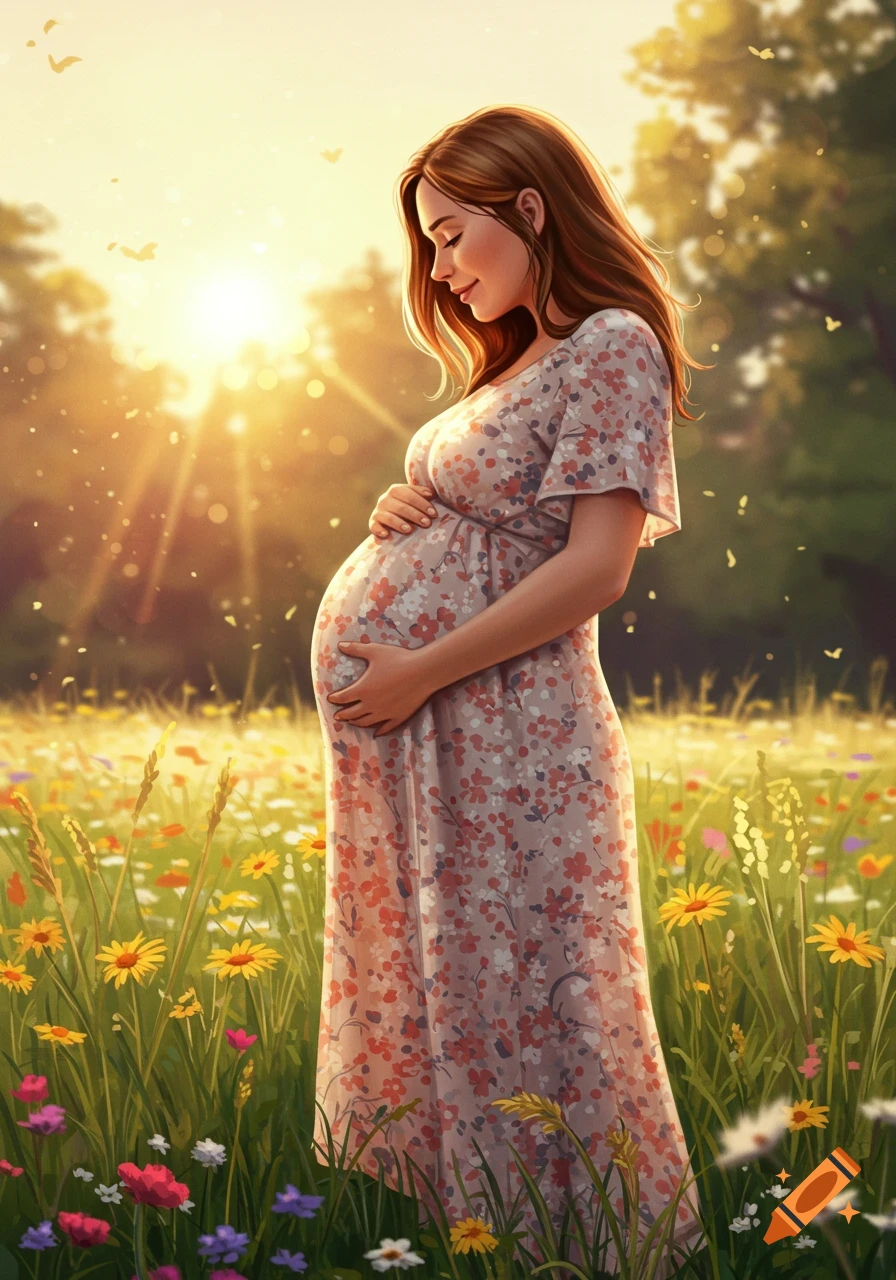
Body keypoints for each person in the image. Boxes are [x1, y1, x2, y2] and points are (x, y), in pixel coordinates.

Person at [310, 104, 711, 1277]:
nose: (437, 267)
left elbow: (594, 565)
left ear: (529, 209)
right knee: (459, 992)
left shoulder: (611, 345)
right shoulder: (518, 364)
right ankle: (479, 1240)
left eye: (450, 234)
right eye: (426, 245)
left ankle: (594, 1251)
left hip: (508, 736)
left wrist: (418, 666)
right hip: (436, 734)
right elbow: (499, 520)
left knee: (539, 999)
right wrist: (401, 516)